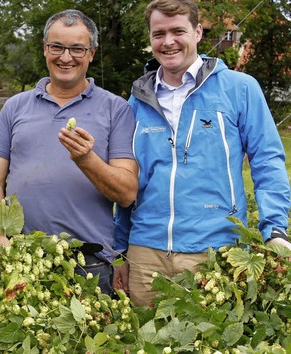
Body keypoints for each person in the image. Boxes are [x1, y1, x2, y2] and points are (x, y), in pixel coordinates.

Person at [113, 0, 291, 307]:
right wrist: (120, 251)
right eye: (158, 33)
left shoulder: (240, 88)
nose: (167, 42)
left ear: (197, 32)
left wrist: (274, 227)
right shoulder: (136, 100)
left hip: (215, 253)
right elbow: (127, 179)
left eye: (177, 31)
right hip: (145, 254)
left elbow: (267, 160)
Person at [0, 9, 138, 296]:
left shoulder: (116, 109)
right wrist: (0, 238)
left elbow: (127, 193)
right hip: (22, 255)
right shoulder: (15, 107)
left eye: (77, 48)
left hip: (89, 263)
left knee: (88, 341)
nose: (66, 57)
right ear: (45, 49)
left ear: (92, 53)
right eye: (57, 47)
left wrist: (86, 159)